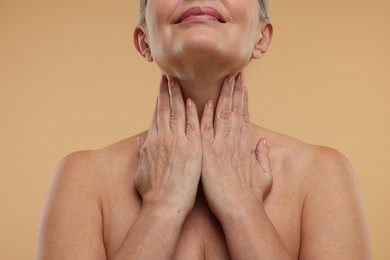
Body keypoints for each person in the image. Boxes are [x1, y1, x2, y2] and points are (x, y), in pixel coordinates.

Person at [37, 0, 371, 259]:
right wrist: (160, 207)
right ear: (144, 42)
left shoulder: (322, 175)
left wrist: (244, 207)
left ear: (261, 37)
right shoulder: (82, 180)